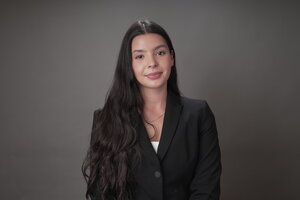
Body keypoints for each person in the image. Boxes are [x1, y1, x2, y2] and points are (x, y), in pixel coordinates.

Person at [82, 19, 222, 200]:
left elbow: (206, 189)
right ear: (129, 65)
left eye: (160, 53)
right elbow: (101, 191)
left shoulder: (198, 115)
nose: (152, 63)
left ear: (171, 58)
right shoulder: (106, 118)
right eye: (140, 56)